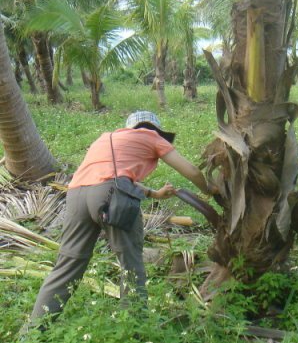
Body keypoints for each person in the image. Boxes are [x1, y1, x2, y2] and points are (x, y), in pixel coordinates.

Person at [23, 110, 215, 331]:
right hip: (109, 194)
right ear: (155, 130)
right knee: (130, 262)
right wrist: (208, 190)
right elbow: (190, 170)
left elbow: (113, 174)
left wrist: (154, 193)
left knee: (67, 264)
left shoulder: (106, 138)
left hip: (76, 194)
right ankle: (133, 329)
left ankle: (33, 333)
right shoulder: (152, 137)